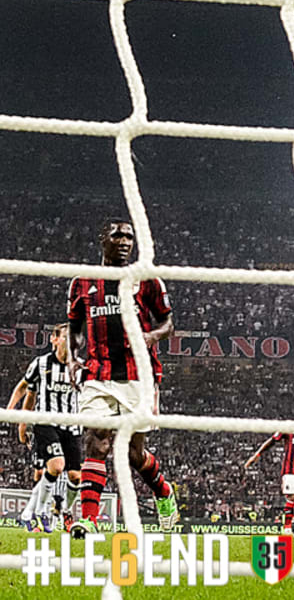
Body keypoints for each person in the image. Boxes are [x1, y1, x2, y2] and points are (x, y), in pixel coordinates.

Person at [67, 219, 178, 537]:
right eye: (117, 235)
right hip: (97, 373)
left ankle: (163, 492)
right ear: (103, 239)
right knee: (96, 442)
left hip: (138, 375)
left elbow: (168, 323)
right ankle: (89, 520)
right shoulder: (82, 281)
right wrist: (73, 358)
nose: (125, 241)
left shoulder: (146, 279)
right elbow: (74, 325)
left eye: (129, 236)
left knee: (133, 454)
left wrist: (152, 337)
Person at [8, 324, 82, 533]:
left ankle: (63, 511)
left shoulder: (81, 368)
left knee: (75, 476)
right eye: (66, 337)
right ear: (54, 339)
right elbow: (25, 389)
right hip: (45, 422)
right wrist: (12, 413)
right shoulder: (41, 364)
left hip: (72, 426)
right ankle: (40, 513)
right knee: (54, 467)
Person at [244, 403, 294, 537]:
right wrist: (257, 454)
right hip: (291, 470)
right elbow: (272, 440)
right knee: (293, 497)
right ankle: (287, 528)